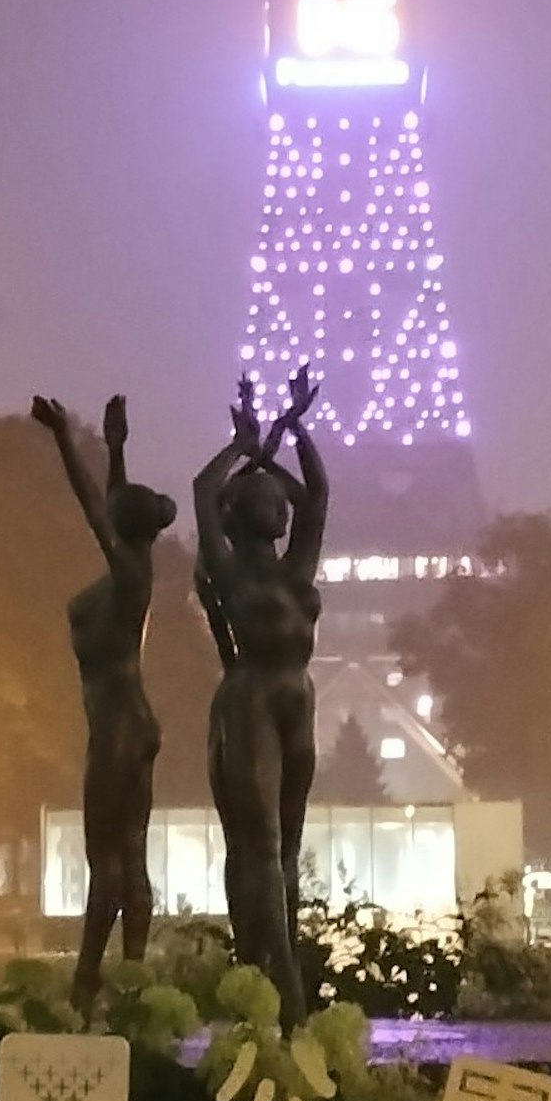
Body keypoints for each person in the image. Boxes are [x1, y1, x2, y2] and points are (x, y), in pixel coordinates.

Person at [29, 390, 181, 1020]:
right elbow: (112, 510)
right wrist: (117, 447)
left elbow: (95, 507)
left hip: (118, 725)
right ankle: (131, 982)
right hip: (133, 722)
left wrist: (65, 436)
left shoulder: (127, 573)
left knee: (108, 863)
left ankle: (88, 985)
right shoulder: (133, 569)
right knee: (130, 854)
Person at [194, 368, 327, 1022]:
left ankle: (267, 973)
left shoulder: (295, 566)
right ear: (241, 513)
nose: (281, 506)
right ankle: (284, 992)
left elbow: (318, 496)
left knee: (286, 848)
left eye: (281, 499)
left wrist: (290, 431)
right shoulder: (228, 568)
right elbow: (202, 489)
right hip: (250, 703)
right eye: (267, 499)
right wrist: (246, 446)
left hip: (298, 701)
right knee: (261, 842)